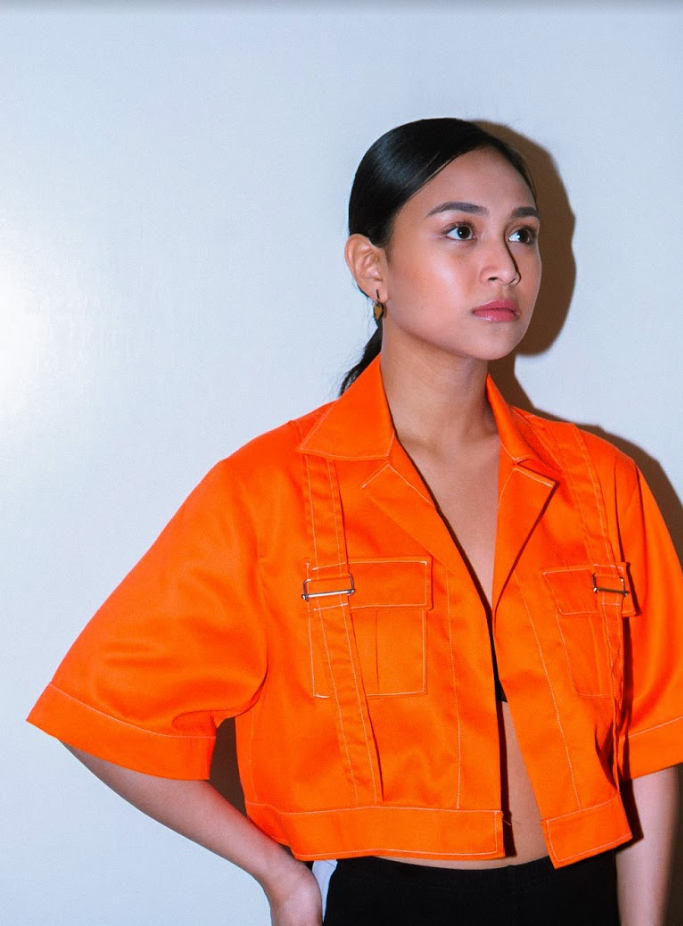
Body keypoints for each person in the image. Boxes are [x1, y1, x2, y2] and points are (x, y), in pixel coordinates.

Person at [28, 118, 683, 926]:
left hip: (578, 895)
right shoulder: (272, 491)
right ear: (372, 267)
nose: (504, 266)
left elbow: (653, 736)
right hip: (394, 904)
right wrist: (280, 877)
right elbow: (107, 713)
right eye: (460, 231)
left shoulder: (600, 481)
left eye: (523, 234)